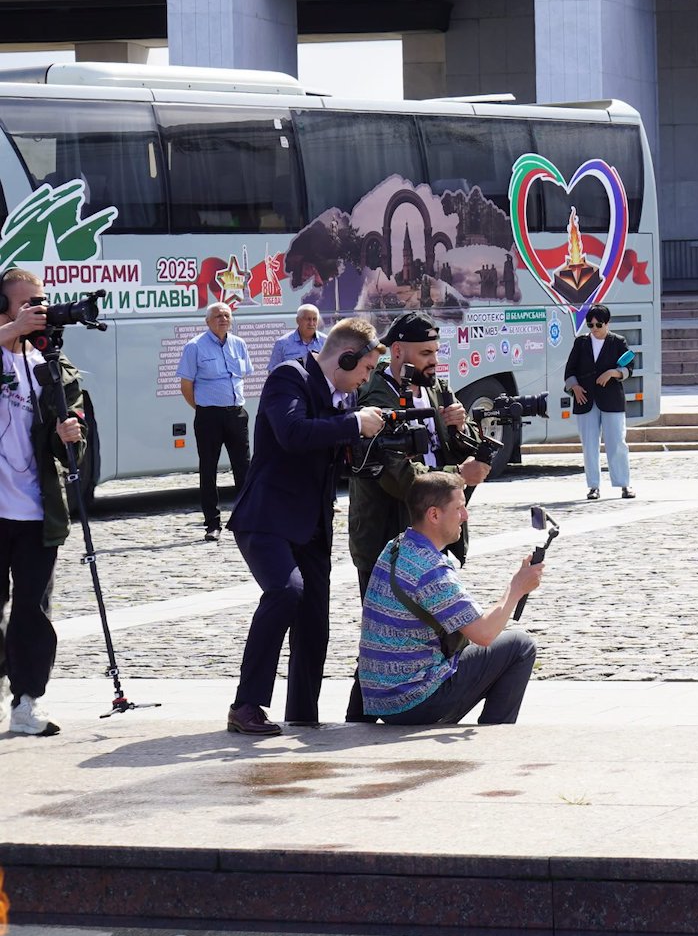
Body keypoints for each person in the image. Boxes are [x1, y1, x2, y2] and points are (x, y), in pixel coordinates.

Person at [226, 319, 387, 736]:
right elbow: (293, 433)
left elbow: (334, 452)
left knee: (314, 622)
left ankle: (302, 713)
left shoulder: (345, 397)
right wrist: (353, 424)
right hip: (267, 518)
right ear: (346, 358)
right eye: (366, 369)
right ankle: (246, 705)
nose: (366, 379)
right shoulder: (289, 377)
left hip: (312, 524)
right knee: (285, 592)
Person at [343, 312, 490, 722]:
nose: (434, 361)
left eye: (435, 352)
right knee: (384, 634)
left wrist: (461, 428)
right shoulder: (375, 396)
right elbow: (397, 474)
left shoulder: (436, 387)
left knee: (432, 629)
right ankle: (364, 717)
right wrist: (459, 476)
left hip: (433, 531)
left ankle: (413, 705)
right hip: (385, 536)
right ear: (398, 351)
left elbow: (454, 446)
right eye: (425, 353)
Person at [358, 472, 542, 725]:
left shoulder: (395, 547)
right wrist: (517, 588)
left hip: (379, 699)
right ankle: (497, 734)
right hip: (412, 701)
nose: (465, 516)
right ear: (434, 515)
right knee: (519, 645)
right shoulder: (430, 568)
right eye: (459, 508)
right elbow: (484, 634)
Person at [0, 269, 87, 737]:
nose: (39, 311)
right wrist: (12, 331)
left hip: (37, 511)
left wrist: (69, 436)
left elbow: (72, 446)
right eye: (27, 303)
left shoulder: (51, 365)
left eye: (42, 302)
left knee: (32, 612)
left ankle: (26, 701)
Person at [177, 302, 254, 542]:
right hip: (209, 416)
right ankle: (212, 523)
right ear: (208, 321)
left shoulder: (239, 344)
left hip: (236, 414)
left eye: (227, 315)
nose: (223, 319)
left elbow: (243, 375)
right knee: (208, 469)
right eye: (218, 315)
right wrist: (202, 408)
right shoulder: (194, 346)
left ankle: (246, 519)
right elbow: (186, 386)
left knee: (244, 468)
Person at [564, 304, 634, 501]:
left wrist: (612, 373)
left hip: (611, 399)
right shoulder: (581, 342)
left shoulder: (618, 341)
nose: (594, 329)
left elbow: (629, 368)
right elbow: (569, 370)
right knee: (589, 445)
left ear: (607, 323)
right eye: (590, 325)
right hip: (585, 398)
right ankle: (593, 486)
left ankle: (624, 484)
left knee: (617, 442)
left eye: (598, 325)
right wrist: (575, 387)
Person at [269, 304, 325, 370]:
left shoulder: (326, 342)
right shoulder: (282, 343)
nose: (311, 323)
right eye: (308, 319)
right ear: (298, 320)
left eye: (314, 319)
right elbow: (273, 372)